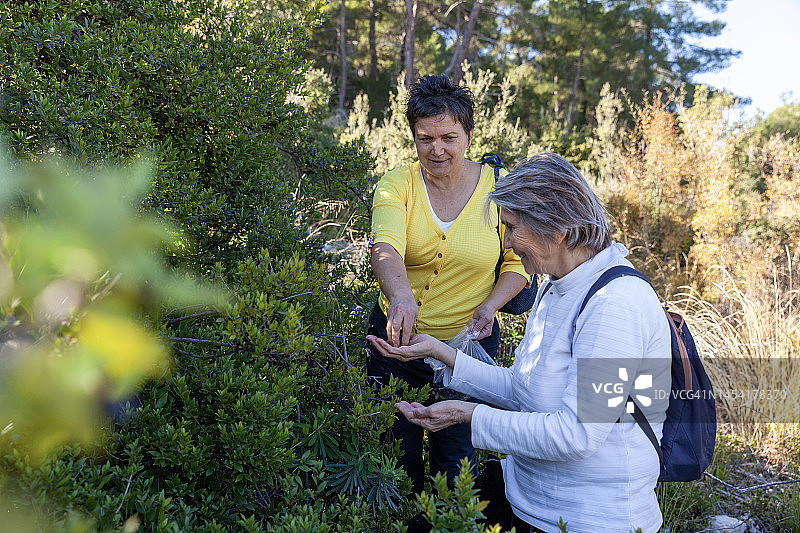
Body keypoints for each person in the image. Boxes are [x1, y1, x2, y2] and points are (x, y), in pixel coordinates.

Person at [368, 153, 672, 533]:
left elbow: (577, 435)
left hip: (585, 518)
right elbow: (524, 389)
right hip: (525, 496)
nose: (508, 242)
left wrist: (466, 414)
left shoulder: (616, 304)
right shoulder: (557, 286)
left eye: (512, 227)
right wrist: (442, 353)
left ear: (556, 228)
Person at [367, 73, 530, 494]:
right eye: (425, 139)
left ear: (469, 136)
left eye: (448, 137)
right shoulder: (397, 185)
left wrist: (491, 305)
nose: (436, 149)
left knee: (457, 464)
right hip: (397, 346)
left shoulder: (500, 189)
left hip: (466, 351)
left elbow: (519, 262)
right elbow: (385, 246)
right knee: (393, 462)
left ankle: (449, 521)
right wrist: (400, 297)